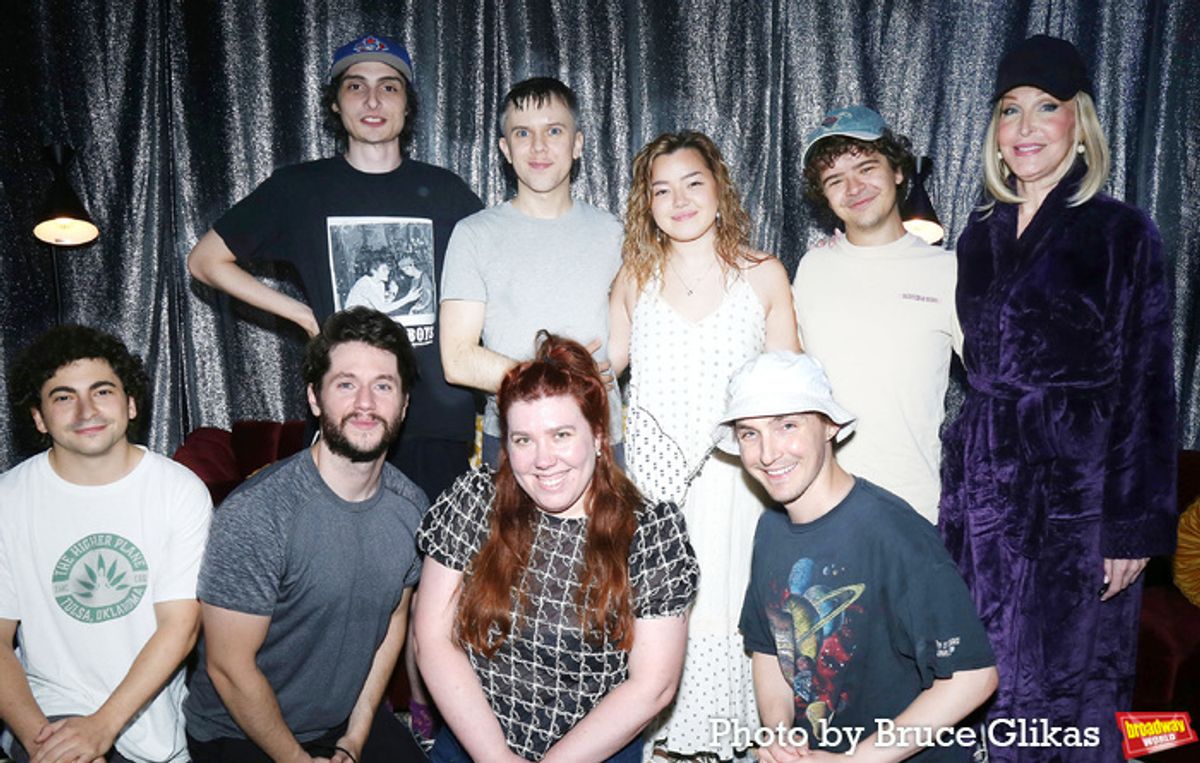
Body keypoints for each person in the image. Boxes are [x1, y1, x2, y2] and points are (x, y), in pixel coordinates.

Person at [940, 35, 1177, 761]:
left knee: (1071, 687)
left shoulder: (1122, 232)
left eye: (1047, 107)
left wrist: (1131, 528)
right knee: (979, 675)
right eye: (1009, 110)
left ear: (1081, 123)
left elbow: (1148, 384)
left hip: (1075, 499)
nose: (1025, 127)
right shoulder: (977, 236)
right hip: (983, 493)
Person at [187, 32, 483, 503]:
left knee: (436, 549)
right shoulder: (299, 189)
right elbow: (205, 261)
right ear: (335, 103)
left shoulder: (447, 191)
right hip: (345, 418)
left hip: (434, 421)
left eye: (389, 87)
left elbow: (494, 282)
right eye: (355, 86)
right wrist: (304, 317)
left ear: (407, 104)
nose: (372, 100)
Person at [414, 334, 698, 762]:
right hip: (472, 744)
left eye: (561, 434)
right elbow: (432, 639)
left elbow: (653, 686)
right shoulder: (475, 503)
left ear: (598, 436)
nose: (542, 459)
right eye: (523, 440)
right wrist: (496, 757)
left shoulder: (651, 533)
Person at [608, 131, 799, 759]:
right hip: (655, 491)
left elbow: (790, 387)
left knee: (729, 610)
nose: (680, 200)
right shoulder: (633, 279)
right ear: (647, 203)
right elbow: (602, 373)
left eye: (693, 183)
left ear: (720, 189)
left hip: (737, 485)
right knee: (660, 622)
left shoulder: (763, 275)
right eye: (661, 190)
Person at [719, 352, 997, 762]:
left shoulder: (894, 532)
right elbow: (770, 648)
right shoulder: (770, 529)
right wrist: (780, 735)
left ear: (830, 426)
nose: (767, 453)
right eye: (749, 433)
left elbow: (973, 677)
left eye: (787, 425)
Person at [183, 307, 427, 761]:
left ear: (404, 404)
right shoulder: (258, 513)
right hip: (237, 729)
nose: (366, 403)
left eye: (383, 386)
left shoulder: (411, 506)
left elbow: (394, 619)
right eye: (346, 384)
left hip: (337, 725)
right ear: (315, 398)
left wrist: (355, 736)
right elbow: (228, 668)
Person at [0, 325, 212, 763]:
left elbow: (180, 627)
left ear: (130, 403)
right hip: (46, 715)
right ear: (38, 417)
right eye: (63, 397)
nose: (86, 411)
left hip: (152, 727)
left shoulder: (179, 491)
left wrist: (100, 728)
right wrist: (48, 746)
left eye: (102, 391)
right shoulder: (9, 499)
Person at [440, 76, 623, 468]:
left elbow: (628, 342)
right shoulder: (474, 235)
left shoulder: (614, 234)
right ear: (505, 149)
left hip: (601, 438)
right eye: (523, 133)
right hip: (514, 442)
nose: (539, 146)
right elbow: (457, 359)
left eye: (554, 131)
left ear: (577, 143)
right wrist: (562, 379)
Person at [793, 104, 961, 523]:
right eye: (835, 180)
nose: (854, 187)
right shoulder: (812, 267)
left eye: (866, 168)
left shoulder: (948, 271)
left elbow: (1003, 383)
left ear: (898, 171)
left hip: (914, 512)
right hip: (822, 510)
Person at [345, 257, 423, 314]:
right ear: (374, 271)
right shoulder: (364, 284)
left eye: (388, 269)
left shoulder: (380, 284)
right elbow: (382, 309)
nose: (388, 272)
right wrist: (408, 298)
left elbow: (384, 305)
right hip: (352, 321)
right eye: (384, 269)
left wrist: (392, 294)